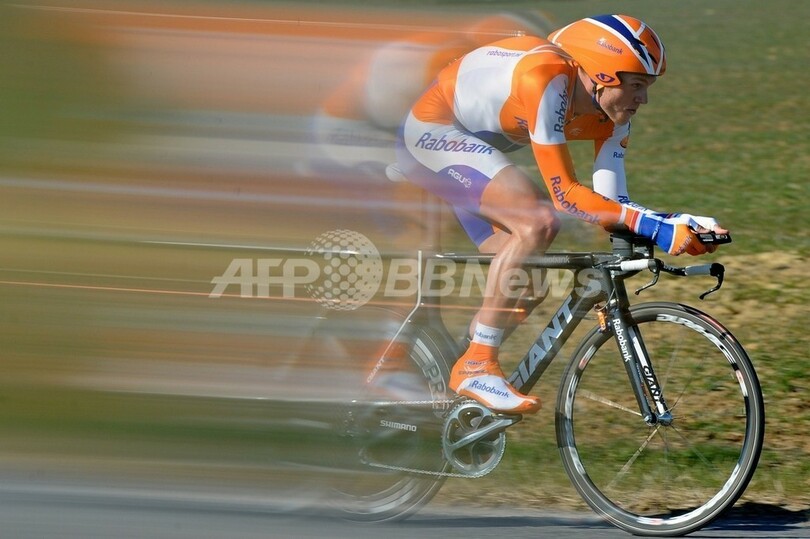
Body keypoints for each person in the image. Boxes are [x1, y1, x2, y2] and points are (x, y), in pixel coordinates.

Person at [392, 14, 728, 414]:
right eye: (637, 85)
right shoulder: (546, 77)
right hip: (433, 135)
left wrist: (676, 220)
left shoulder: (614, 116)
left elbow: (611, 204)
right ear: (603, 75)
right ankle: (477, 363)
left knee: (527, 281)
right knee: (537, 222)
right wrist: (655, 227)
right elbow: (566, 195)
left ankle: (445, 386)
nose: (644, 99)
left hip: (473, 155)